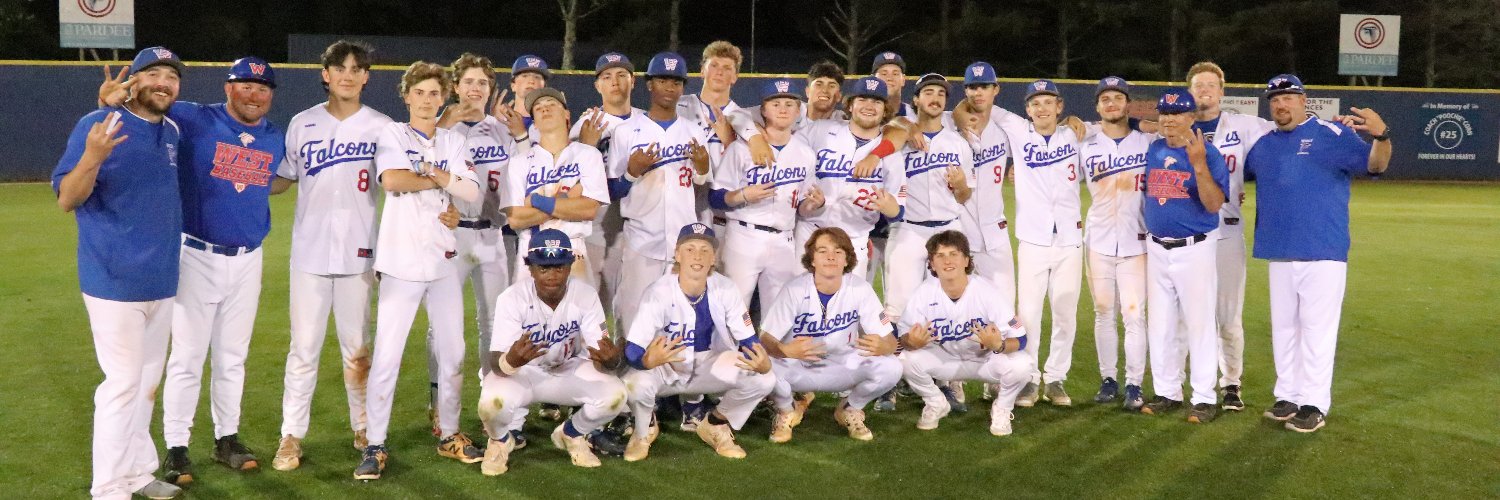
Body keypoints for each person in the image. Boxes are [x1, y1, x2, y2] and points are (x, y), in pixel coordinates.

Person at [98, 54, 287, 482]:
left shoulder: (275, 136)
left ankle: (227, 438)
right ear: (228, 88)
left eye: (262, 89)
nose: (253, 94)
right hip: (196, 255)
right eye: (245, 85)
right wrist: (115, 99)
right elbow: (149, 103)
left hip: (248, 260)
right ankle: (177, 447)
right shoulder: (195, 117)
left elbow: (277, 178)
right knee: (186, 357)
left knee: (233, 356)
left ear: (270, 96)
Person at [57, 46, 188, 500]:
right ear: (132, 80)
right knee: (123, 384)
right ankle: (109, 488)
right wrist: (92, 155)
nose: (163, 82)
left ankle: (137, 472)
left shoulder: (172, 130)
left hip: (162, 279)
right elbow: (67, 199)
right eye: (152, 73)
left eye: (171, 76)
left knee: (147, 382)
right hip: (113, 279)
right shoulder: (98, 125)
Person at [269, 40, 405, 471]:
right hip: (308, 254)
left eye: (357, 68)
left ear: (367, 77)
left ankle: (363, 427)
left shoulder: (382, 127)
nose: (347, 75)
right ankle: (291, 434)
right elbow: (282, 178)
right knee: (303, 349)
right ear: (325, 74)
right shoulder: (302, 123)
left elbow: (398, 189)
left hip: (360, 256)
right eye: (339, 67)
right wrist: (237, 176)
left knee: (357, 350)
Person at [355, 61, 485, 480]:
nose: (428, 100)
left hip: (444, 259)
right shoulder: (393, 133)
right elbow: (393, 180)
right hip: (400, 262)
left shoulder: (452, 139)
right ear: (407, 95)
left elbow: (473, 194)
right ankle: (375, 443)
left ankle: (449, 433)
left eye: (435, 93)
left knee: (454, 354)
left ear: (444, 98)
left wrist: (435, 177)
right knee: (388, 358)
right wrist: (441, 179)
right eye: (421, 92)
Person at [1246, 74, 1391, 432]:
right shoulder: (1264, 145)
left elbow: (1376, 165)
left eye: (1288, 97)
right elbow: (1239, 177)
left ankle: (1314, 402)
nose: (1281, 104)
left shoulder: (1332, 133)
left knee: (1317, 331)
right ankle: (1288, 395)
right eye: (1275, 99)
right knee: (1284, 329)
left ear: (1303, 99)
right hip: (1279, 251)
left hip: (1323, 250)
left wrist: (1382, 135)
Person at [620, 223, 776, 461]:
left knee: (765, 378)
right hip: (665, 367)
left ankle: (715, 423)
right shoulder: (658, 292)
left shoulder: (725, 287)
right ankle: (642, 431)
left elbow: (748, 339)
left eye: (705, 250)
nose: (698, 256)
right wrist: (645, 361)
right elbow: (632, 350)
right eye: (690, 248)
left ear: (714, 258)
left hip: (708, 364)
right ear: (677, 255)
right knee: (634, 383)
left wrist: (762, 361)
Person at [475, 229, 626, 475]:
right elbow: (495, 363)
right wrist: (510, 361)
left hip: (565, 370)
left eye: (559, 267)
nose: (552, 276)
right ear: (530, 268)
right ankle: (500, 442)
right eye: (544, 268)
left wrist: (612, 361)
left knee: (616, 393)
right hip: (522, 375)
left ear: (569, 266)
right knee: (492, 403)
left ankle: (572, 434)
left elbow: (602, 355)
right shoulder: (512, 298)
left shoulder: (585, 295)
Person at [1186, 61, 1275, 412]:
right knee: (1187, 317)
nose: (1205, 90)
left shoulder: (1244, 126)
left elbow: (1290, 127)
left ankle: (1231, 384)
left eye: (1211, 84)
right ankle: (1188, 383)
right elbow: (1132, 126)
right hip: (1189, 233)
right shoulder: (1176, 127)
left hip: (1227, 233)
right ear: (1190, 91)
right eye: (1198, 85)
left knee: (1227, 317)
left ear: (1222, 92)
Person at [1137, 88, 1229, 424]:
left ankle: (1204, 398)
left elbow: (1214, 204)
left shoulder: (1209, 153)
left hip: (1195, 247)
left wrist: (1200, 165)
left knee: (1199, 324)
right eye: (1164, 113)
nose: (1169, 119)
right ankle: (1167, 392)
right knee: (1160, 326)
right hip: (1157, 247)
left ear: (1192, 118)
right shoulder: (1155, 148)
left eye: (1177, 114)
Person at [607, 51, 714, 336]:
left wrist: (702, 167)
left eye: (676, 82)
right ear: (649, 84)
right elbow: (612, 191)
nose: (670, 87)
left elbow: (701, 184)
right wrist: (631, 172)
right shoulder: (626, 132)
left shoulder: (694, 131)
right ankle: (628, 375)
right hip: (640, 238)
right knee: (632, 317)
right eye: (663, 80)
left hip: (682, 240)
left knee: (679, 321)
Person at [759, 227, 901, 442]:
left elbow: (889, 340)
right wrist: (784, 350)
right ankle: (787, 410)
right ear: (812, 259)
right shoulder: (795, 289)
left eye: (838, 251)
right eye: (823, 251)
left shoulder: (859, 288)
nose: (831, 257)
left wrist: (885, 347)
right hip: (798, 366)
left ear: (847, 260)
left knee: (892, 367)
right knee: (763, 365)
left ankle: (850, 408)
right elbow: (765, 339)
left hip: (842, 364)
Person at [1000, 80, 1086, 407]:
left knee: (1065, 312)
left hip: (1069, 239)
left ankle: (1056, 377)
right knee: (1028, 313)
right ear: (1027, 109)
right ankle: (1029, 378)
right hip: (1032, 239)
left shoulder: (1076, 133)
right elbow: (975, 105)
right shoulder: (1017, 129)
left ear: (1060, 106)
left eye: (1048, 102)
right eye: (1035, 103)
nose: (1042, 108)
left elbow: (1122, 125)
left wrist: (1077, 121)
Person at [898, 231, 1034, 436]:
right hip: (945, 361)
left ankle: (1003, 408)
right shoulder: (924, 292)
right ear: (932, 264)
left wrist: (999, 346)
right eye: (940, 256)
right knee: (903, 358)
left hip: (985, 361)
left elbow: (1021, 339)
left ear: (966, 261)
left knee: (1023, 364)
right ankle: (936, 403)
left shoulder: (986, 291)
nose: (947, 260)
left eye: (954, 254)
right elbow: (903, 338)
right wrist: (912, 341)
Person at [881, 73, 975, 330]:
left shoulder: (959, 144)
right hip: (909, 228)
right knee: (898, 304)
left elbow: (965, 197)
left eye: (941, 94)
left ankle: (943, 360)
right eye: (929, 92)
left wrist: (961, 186)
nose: (935, 98)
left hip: (949, 228)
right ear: (916, 99)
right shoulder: (900, 137)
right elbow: (886, 128)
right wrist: (906, 125)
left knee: (954, 298)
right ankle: (897, 364)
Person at [1079, 77, 1151, 410]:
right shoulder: (1086, 143)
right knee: (1103, 313)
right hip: (1098, 242)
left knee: (1134, 316)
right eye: (1104, 98)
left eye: (1117, 97)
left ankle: (1134, 383)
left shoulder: (1147, 141)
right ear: (1097, 107)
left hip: (1137, 242)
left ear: (1128, 104)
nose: (1111, 103)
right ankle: (1108, 379)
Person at [711, 78, 813, 308]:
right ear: (764, 110)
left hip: (785, 241)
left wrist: (813, 204)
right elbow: (715, 197)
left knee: (778, 317)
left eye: (789, 104)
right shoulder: (740, 148)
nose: (783, 109)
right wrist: (743, 195)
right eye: (776, 104)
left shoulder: (805, 153)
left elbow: (803, 205)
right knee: (733, 310)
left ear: (799, 111)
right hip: (743, 237)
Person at [793, 77, 905, 280]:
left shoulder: (892, 155)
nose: (869, 106)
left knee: (849, 308)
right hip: (809, 231)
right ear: (851, 105)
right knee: (799, 300)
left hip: (854, 238)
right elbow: (787, 153)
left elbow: (898, 211)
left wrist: (889, 207)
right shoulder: (820, 131)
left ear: (885, 109)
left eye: (877, 101)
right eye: (862, 99)